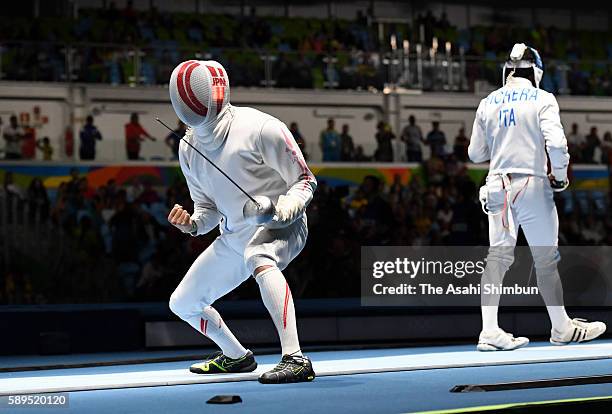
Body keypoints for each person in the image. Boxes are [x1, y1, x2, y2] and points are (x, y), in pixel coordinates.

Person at [167, 60, 316, 383]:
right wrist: (191, 224)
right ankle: (236, 356)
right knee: (183, 303)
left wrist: (277, 212)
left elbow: (305, 181)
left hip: (282, 227)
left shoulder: (261, 127)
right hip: (234, 235)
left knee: (259, 255)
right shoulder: (188, 147)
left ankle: (296, 358)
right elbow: (206, 210)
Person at [468, 43, 606, 352]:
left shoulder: (488, 101)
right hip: (531, 184)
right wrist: (560, 175)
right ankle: (560, 328)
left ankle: (489, 331)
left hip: (496, 186)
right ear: (536, 71)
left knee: (498, 257)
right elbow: (556, 144)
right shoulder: (543, 98)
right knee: (545, 260)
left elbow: (475, 153)